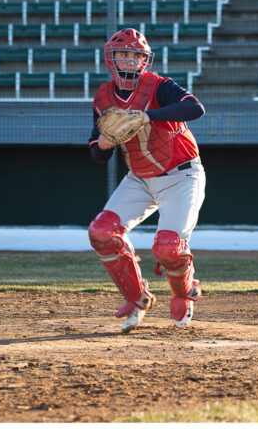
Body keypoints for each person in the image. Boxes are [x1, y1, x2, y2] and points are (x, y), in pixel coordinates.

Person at [86, 28, 207, 333]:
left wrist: (147, 116)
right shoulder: (102, 97)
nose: (130, 61)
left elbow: (195, 108)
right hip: (139, 178)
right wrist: (103, 143)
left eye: (136, 55)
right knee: (101, 232)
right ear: (111, 59)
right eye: (123, 54)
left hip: (181, 175)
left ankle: (183, 292)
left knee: (168, 248)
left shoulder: (158, 86)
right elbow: (97, 154)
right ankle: (136, 297)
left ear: (144, 60)